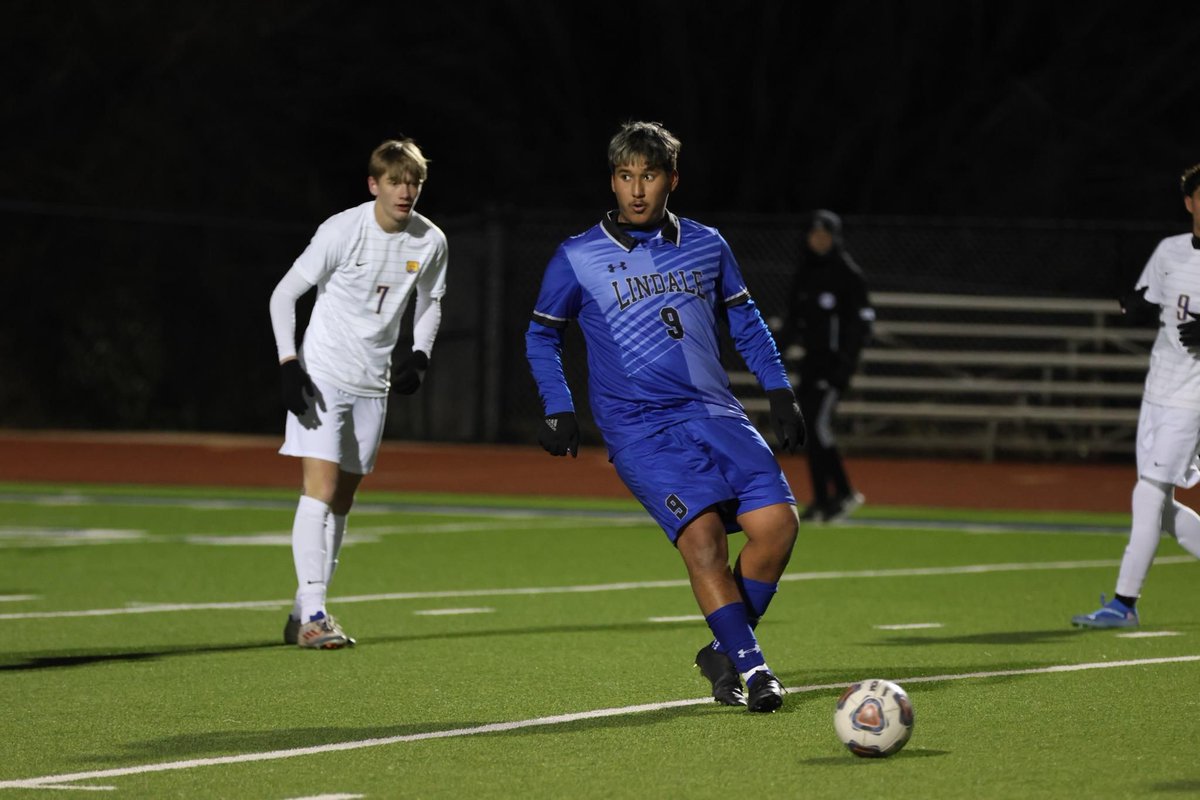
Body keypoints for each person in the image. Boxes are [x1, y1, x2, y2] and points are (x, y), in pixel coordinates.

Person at [525, 120, 805, 712]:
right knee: (701, 539)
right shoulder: (577, 256)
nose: (635, 189)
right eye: (625, 176)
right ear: (613, 180)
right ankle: (754, 672)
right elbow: (541, 336)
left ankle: (721, 650)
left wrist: (779, 391)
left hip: (717, 413)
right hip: (640, 428)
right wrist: (559, 406)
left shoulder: (707, 243)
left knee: (778, 526)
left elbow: (747, 322)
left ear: (671, 179)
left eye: (648, 176)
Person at [268, 137, 448, 648]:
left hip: (374, 383)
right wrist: (289, 364)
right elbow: (284, 294)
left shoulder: (430, 240)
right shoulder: (343, 230)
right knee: (319, 491)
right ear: (374, 184)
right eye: (395, 181)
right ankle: (316, 615)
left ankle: (304, 606)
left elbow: (431, 301)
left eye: (413, 181)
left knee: (343, 499)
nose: (405, 190)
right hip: (324, 373)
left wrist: (420, 353)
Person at [1072, 162, 1200, 629]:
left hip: (1194, 400)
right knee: (1161, 510)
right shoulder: (1170, 251)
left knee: (1147, 496)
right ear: (1190, 203)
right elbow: (1146, 298)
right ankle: (1122, 605)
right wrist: (1133, 303)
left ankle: (1123, 604)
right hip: (1158, 390)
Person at [777, 210, 874, 523]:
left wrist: (845, 366)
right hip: (811, 364)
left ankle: (843, 492)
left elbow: (859, 328)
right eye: (814, 234)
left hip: (833, 366)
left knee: (819, 426)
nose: (819, 240)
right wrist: (772, 351)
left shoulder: (847, 274)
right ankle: (822, 499)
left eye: (825, 235)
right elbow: (793, 321)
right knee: (810, 429)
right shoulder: (805, 272)